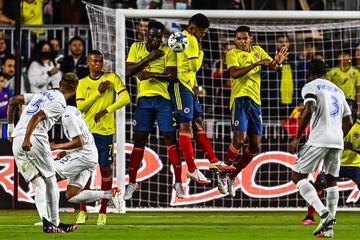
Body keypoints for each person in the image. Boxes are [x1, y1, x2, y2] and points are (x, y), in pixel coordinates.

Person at [217, 25, 288, 197]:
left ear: (251, 39)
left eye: (245, 38)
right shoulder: (232, 54)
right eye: (239, 38)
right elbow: (234, 74)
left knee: (255, 146)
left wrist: (276, 63)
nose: (242, 41)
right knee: (239, 140)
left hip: (255, 102)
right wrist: (256, 63)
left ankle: (233, 176)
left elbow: (271, 66)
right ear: (235, 40)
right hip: (239, 100)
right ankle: (222, 173)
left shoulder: (258, 50)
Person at [7, 72, 79, 233]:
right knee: (51, 179)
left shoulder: (42, 94)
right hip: (34, 139)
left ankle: (46, 223)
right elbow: (37, 117)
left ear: (60, 83)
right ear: (74, 90)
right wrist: (28, 139)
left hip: (17, 141)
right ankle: (56, 222)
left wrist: (11, 129)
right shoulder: (60, 102)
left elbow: (14, 101)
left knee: (39, 184)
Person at [288, 59, 353, 237]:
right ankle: (330, 229)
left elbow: (309, 108)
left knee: (297, 176)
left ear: (309, 74)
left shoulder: (310, 86)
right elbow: (350, 120)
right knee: (332, 181)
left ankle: (323, 213)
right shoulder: (338, 90)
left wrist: (297, 137)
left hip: (318, 139)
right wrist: (338, 135)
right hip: (337, 139)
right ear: (325, 72)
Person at [168, 13, 235, 185]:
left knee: (198, 123)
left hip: (190, 86)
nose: (203, 35)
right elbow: (193, 66)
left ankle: (213, 161)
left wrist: (195, 85)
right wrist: (201, 52)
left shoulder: (184, 38)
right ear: (192, 28)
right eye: (202, 32)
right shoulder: (189, 40)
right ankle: (191, 169)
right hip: (180, 86)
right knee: (185, 125)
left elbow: (189, 69)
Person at [124, 21, 184, 200]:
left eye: (159, 36)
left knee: (170, 139)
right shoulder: (136, 47)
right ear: (146, 34)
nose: (156, 39)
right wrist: (150, 58)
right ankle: (132, 182)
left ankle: (178, 182)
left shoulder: (168, 50)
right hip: (143, 101)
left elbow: (172, 76)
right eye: (153, 36)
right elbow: (128, 71)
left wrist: (151, 74)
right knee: (139, 140)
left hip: (164, 101)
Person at [75, 50, 130, 225]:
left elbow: (126, 98)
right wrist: (98, 93)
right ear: (88, 62)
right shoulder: (82, 83)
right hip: (86, 133)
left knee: (105, 170)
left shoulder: (112, 78)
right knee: (83, 172)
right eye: (94, 61)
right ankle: (82, 211)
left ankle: (103, 212)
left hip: (105, 133)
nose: (98, 64)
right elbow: (81, 106)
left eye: (100, 61)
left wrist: (107, 110)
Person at [50, 106, 122, 210]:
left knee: (49, 177)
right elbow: (83, 139)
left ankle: (49, 220)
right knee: (72, 195)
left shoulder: (67, 116)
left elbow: (79, 142)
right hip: (89, 155)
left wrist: (55, 146)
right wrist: (66, 152)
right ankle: (111, 194)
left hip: (83, 156)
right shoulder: (73, 111)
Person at [300, 117, 360, 236]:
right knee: (318, 185)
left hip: (355, 165)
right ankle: (310, 217)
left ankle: (327, 226)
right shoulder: (334, 126)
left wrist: (354, 148)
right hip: (334, 163)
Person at [325, 49, 360, 121]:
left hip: (351, 102)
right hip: (336, 102)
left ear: (350, 57)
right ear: (337, 57)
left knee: (350, 124)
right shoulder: (331, 72)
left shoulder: (356, 72)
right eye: (341, 55)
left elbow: (358, 92)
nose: (343, 57)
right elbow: (327, 91)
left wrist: (359, 108)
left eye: (346, 55)